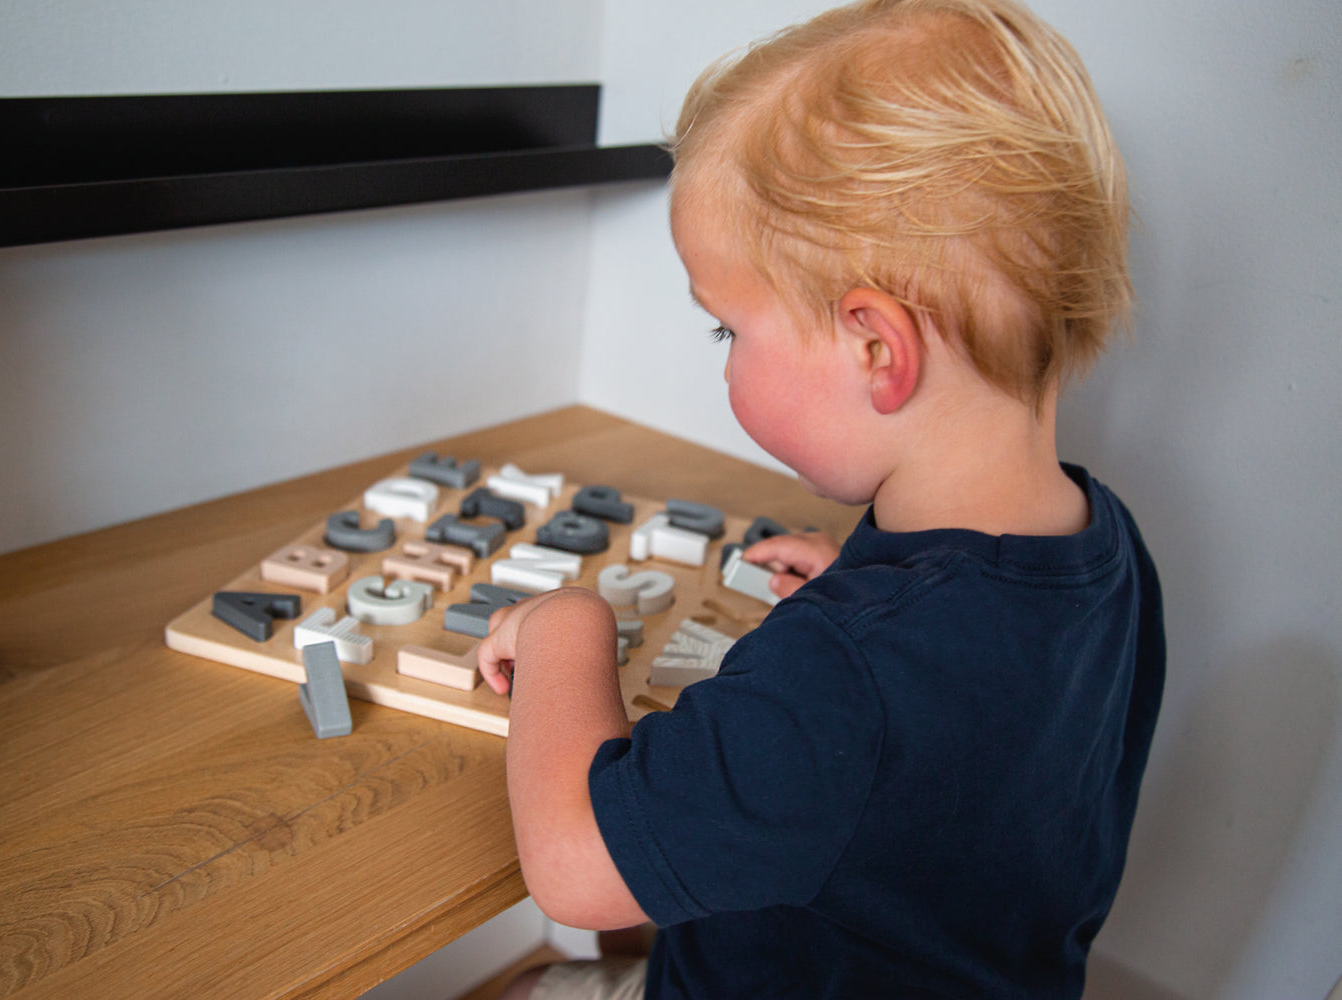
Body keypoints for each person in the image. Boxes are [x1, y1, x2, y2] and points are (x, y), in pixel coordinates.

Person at [480, 0, 1165, 995]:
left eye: (728, 329)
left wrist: (565, 625)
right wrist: (864, 594)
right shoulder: (1105, 549)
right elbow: (969, 732)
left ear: (877, 349)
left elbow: (578, 869)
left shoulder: (847, 673)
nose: (725, 362)